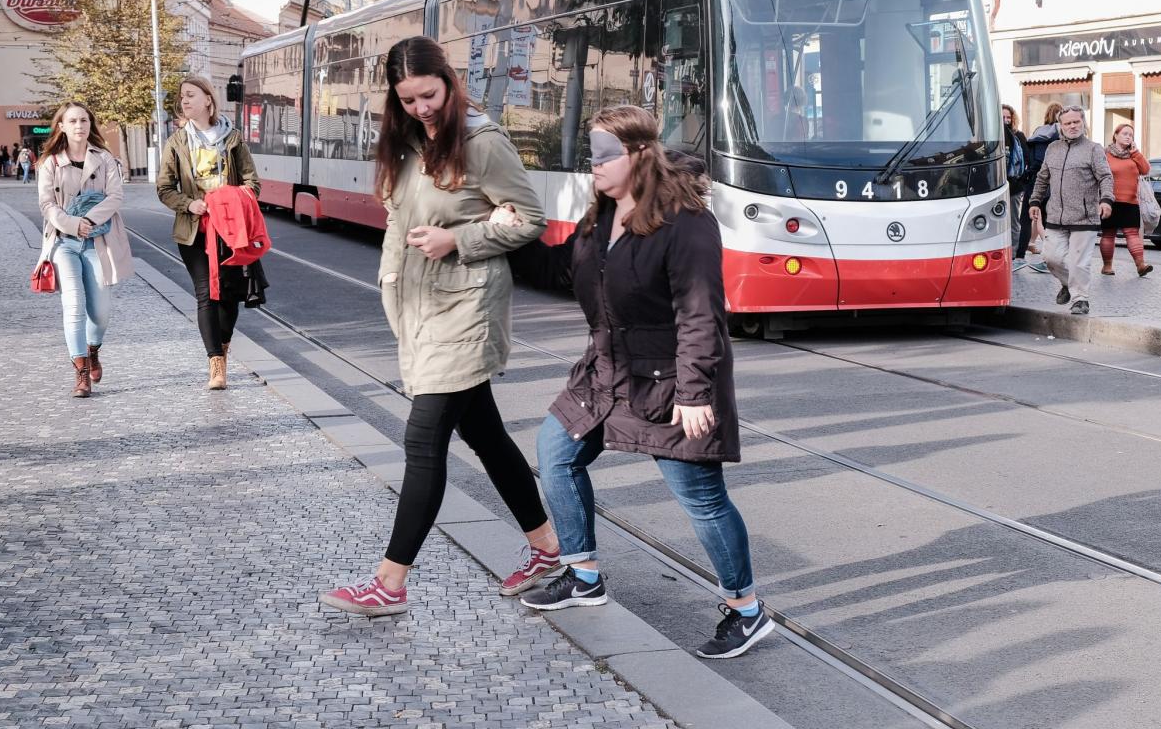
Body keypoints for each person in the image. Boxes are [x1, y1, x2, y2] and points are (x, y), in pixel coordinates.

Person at [505, 105, 774, 660]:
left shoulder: (686, 221)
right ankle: (583, 575)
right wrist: (512, 239)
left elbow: (701, 313)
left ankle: (745, 610)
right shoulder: (601, 216)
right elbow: (561, 271)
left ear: (638, 154)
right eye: (591, 155)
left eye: (604, 155)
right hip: (604, 374)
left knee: (700, 497)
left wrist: (694, 393)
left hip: (666, 381)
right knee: (555, 454)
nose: (593, 167)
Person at [318, 36, 563, 617]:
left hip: (463, 307)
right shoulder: (406, 143)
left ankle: (389, 583)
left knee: (422, 440)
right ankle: (548, 548)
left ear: (449, 81)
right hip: (419, 309)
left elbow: (530, 217)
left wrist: (460, 237)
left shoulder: (482, 141)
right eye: (407, 100)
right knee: (483, 433)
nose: (422, 108)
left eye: (428, 94)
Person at [157, 75, 261, 390]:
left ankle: (224, 347)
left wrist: (226, 200)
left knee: (229, 295)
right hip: (193, 231)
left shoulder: (234, 139)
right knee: (206, 294)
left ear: (208, 100)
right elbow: (163, 188)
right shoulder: (176, 142)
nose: (184, 101)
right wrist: (191, 204)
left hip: (229, 232)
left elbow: (252, 184)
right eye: (182, 97)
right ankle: (215, 363)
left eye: (191, 95)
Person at [35, 102, 134, 397]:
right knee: (74, 305)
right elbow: (46, 205)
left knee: (101, 313)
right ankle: (80, 372)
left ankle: (93, 350)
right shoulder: (50, 163)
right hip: (63, 243)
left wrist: (88, 220)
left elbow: (116, 196)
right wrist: (71, 223)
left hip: (97, 240)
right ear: (62, 127)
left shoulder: (105, 159)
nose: (80, 126)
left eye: (84, 120)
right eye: (73, 121)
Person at [1028, 104, 1113, 315]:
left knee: (1079, 261)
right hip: (1056, 214)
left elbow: (1105, 177)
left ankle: (1080, 299)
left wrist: (1106, 200)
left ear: (1083, 122)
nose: (1072, 126)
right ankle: (1068, 284)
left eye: (1076, 122)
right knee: (1050, 257)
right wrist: (1035, 201)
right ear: (1060, 125)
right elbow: (1042, 177)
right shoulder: (1052, 149)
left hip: (1085, 216)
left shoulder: (1093, 149)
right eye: (1068, 123)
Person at [1100, 123, 1152, 277]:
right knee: (1109, 234)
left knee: (1132, 234)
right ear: (1116, 135)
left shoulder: (1133, 154)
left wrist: (1136, 152)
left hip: (1131, 201)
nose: (1128, 137)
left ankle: (1141, 265)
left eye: (1131, 134)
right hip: (1110, 200)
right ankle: (1107, 266)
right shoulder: (1105, 154)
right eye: (1125, 133)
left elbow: (1146, 170)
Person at [1017, 102, 1064, 262]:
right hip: (1055, 183)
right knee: (1049, 222)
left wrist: (1027, 175)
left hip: (1034, 181)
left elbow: (1033, 160)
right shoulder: (1062, 134)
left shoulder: (1038, 132)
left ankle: (1019, 256)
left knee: (1025, 219)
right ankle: (1049, 258)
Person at [1003, 105, 1029, 254]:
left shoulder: (1018, 136)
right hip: (995, 186)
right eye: (1003, 117)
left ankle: (1014, 252)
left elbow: (1026, 159)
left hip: (1014, 186)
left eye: (1008, 117)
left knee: (1013, 220)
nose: (1006, 120)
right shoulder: (993, 137)